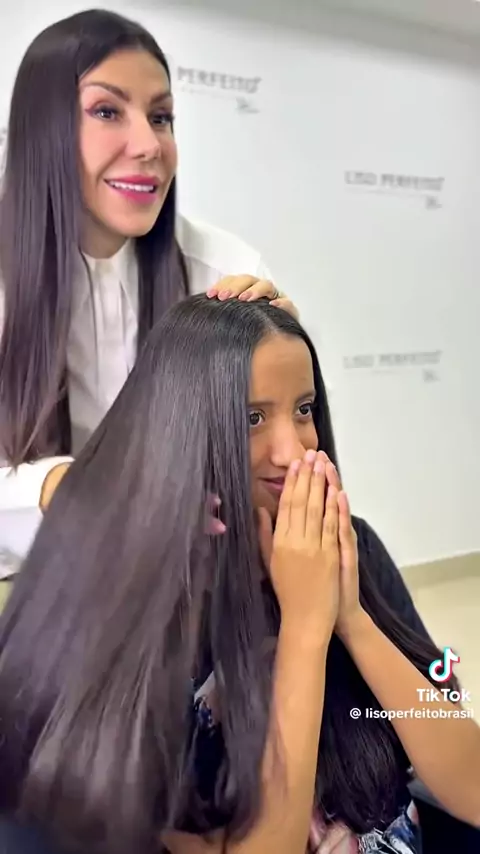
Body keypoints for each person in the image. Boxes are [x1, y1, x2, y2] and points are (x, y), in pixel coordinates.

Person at [0, 296, 479, 854]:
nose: (293, 450)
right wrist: (305, 627)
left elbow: (471, 787)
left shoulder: (352, 549)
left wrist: (350, 618)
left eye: (304, 409)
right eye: (253, 418)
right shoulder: (145, 622)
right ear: (184, 427)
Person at [0, 8, 296, 539]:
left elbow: (279, 466)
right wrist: (66, 487)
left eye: (160, 118)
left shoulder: (226, 270)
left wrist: (282, 366)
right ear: (42, 129)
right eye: (107, 111)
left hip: (189, 567)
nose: (149, 145)